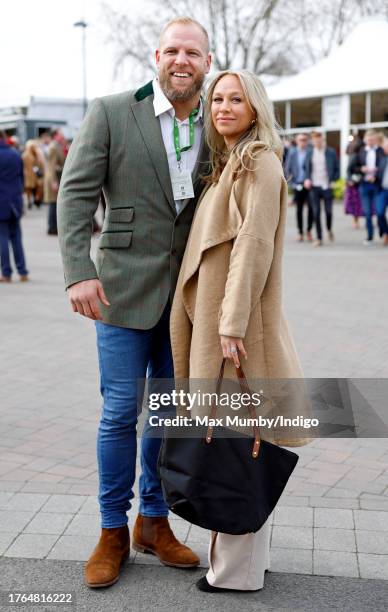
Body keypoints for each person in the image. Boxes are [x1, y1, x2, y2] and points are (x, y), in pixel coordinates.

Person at [57, 17, 211, 588]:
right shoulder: (112, 110)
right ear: (156, 55)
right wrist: (78, 272)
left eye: (192, 52)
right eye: (172, 49)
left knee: (167, 416)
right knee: (121, 411)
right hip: (119, 288)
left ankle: (154, 521)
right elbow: (75, 193)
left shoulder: (216, 122)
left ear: (206, 61)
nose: (181, 60)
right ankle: (111, 530)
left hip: (187, 298)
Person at [170, 70, 311, 593]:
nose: (224, 107)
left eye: (237, 99)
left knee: (236, 445)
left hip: (238, 326)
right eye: (218, 99)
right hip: (229, 321)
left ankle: (235, 574)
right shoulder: (232, 163)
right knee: (244, 439)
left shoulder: (258, 163)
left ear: (256, 109)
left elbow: (254, 246)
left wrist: (230, 324)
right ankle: (248, 563)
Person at [0, 130, 29, 282]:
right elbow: (21, 178)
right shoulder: (15, 154)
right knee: (17, 237)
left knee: (2, 238)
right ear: (4, 138)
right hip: (15, 201)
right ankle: (23, 271)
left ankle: (6, 273)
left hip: (1, 202)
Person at [348, 129, 384, 245]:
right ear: (365, 140)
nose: (370, 141)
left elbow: (384, 167)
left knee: (379, 211)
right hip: (364, 184)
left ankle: (382, 231)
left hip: (377, 185)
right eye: (368, 139)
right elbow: (354, 167)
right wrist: (362, 169)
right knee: (367, 212)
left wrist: (377, 174)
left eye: (372, 139)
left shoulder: (381, 151)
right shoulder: (361, 152)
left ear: (375, 140)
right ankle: (370, 235)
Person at [304, 132, 339, 246]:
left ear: (323, 140)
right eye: (315, 141)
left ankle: (329, 229)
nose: (318, 142)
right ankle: (319, 237)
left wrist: (333, 180)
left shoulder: (331, 152)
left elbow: (337, 169)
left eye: (319, 140)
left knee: (328, 212)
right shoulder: (309, 152)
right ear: (313, 141)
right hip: (314, 186)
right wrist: (307, 179)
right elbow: (306, 168)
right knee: (316, 212)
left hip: (327, 186)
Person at [285, 132, 313, 241]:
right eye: (301, 140)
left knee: (311, 208)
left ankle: (309, 230)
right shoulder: (292, 153)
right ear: (296, 141)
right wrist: (292, 183)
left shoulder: (311, 152)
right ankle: (300, 232)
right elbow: (287, 169)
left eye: (305, 140)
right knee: (299, 209)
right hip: (298, 184)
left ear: (307, 141)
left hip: (309, 184)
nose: (303, 142)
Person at [44, 128, 66, 235]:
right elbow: (52, 166)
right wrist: (53, 181)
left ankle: (52, 226)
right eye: (60, 133)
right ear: (56, 135)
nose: (62, 135)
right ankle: (52, 227)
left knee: (54, 202)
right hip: (54, 178)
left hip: (55, 177)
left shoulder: (56, 145)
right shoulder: (54, 146)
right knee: (53, 203)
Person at [344, 137, 364, 229]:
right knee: (355, 203)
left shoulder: (363, 155)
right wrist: (349, 181)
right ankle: (355, 221)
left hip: (360, 181)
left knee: (358, 203)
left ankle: (357, 220)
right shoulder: (355, 156)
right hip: (354, 183)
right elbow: (349, 170)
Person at [22, 140, 45, 209]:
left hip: (34, 175)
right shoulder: (26, 155)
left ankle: (36, 200)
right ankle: (30, 201)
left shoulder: (35, 154)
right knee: (29, 189)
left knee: (38, 187)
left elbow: (40, 164)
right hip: (29, 175)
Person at [376, 135, 388, 246]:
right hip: (383, 190)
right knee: (379, 212)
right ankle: (386, 232)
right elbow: (378, 174)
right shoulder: (382, 159)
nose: (384, 149)